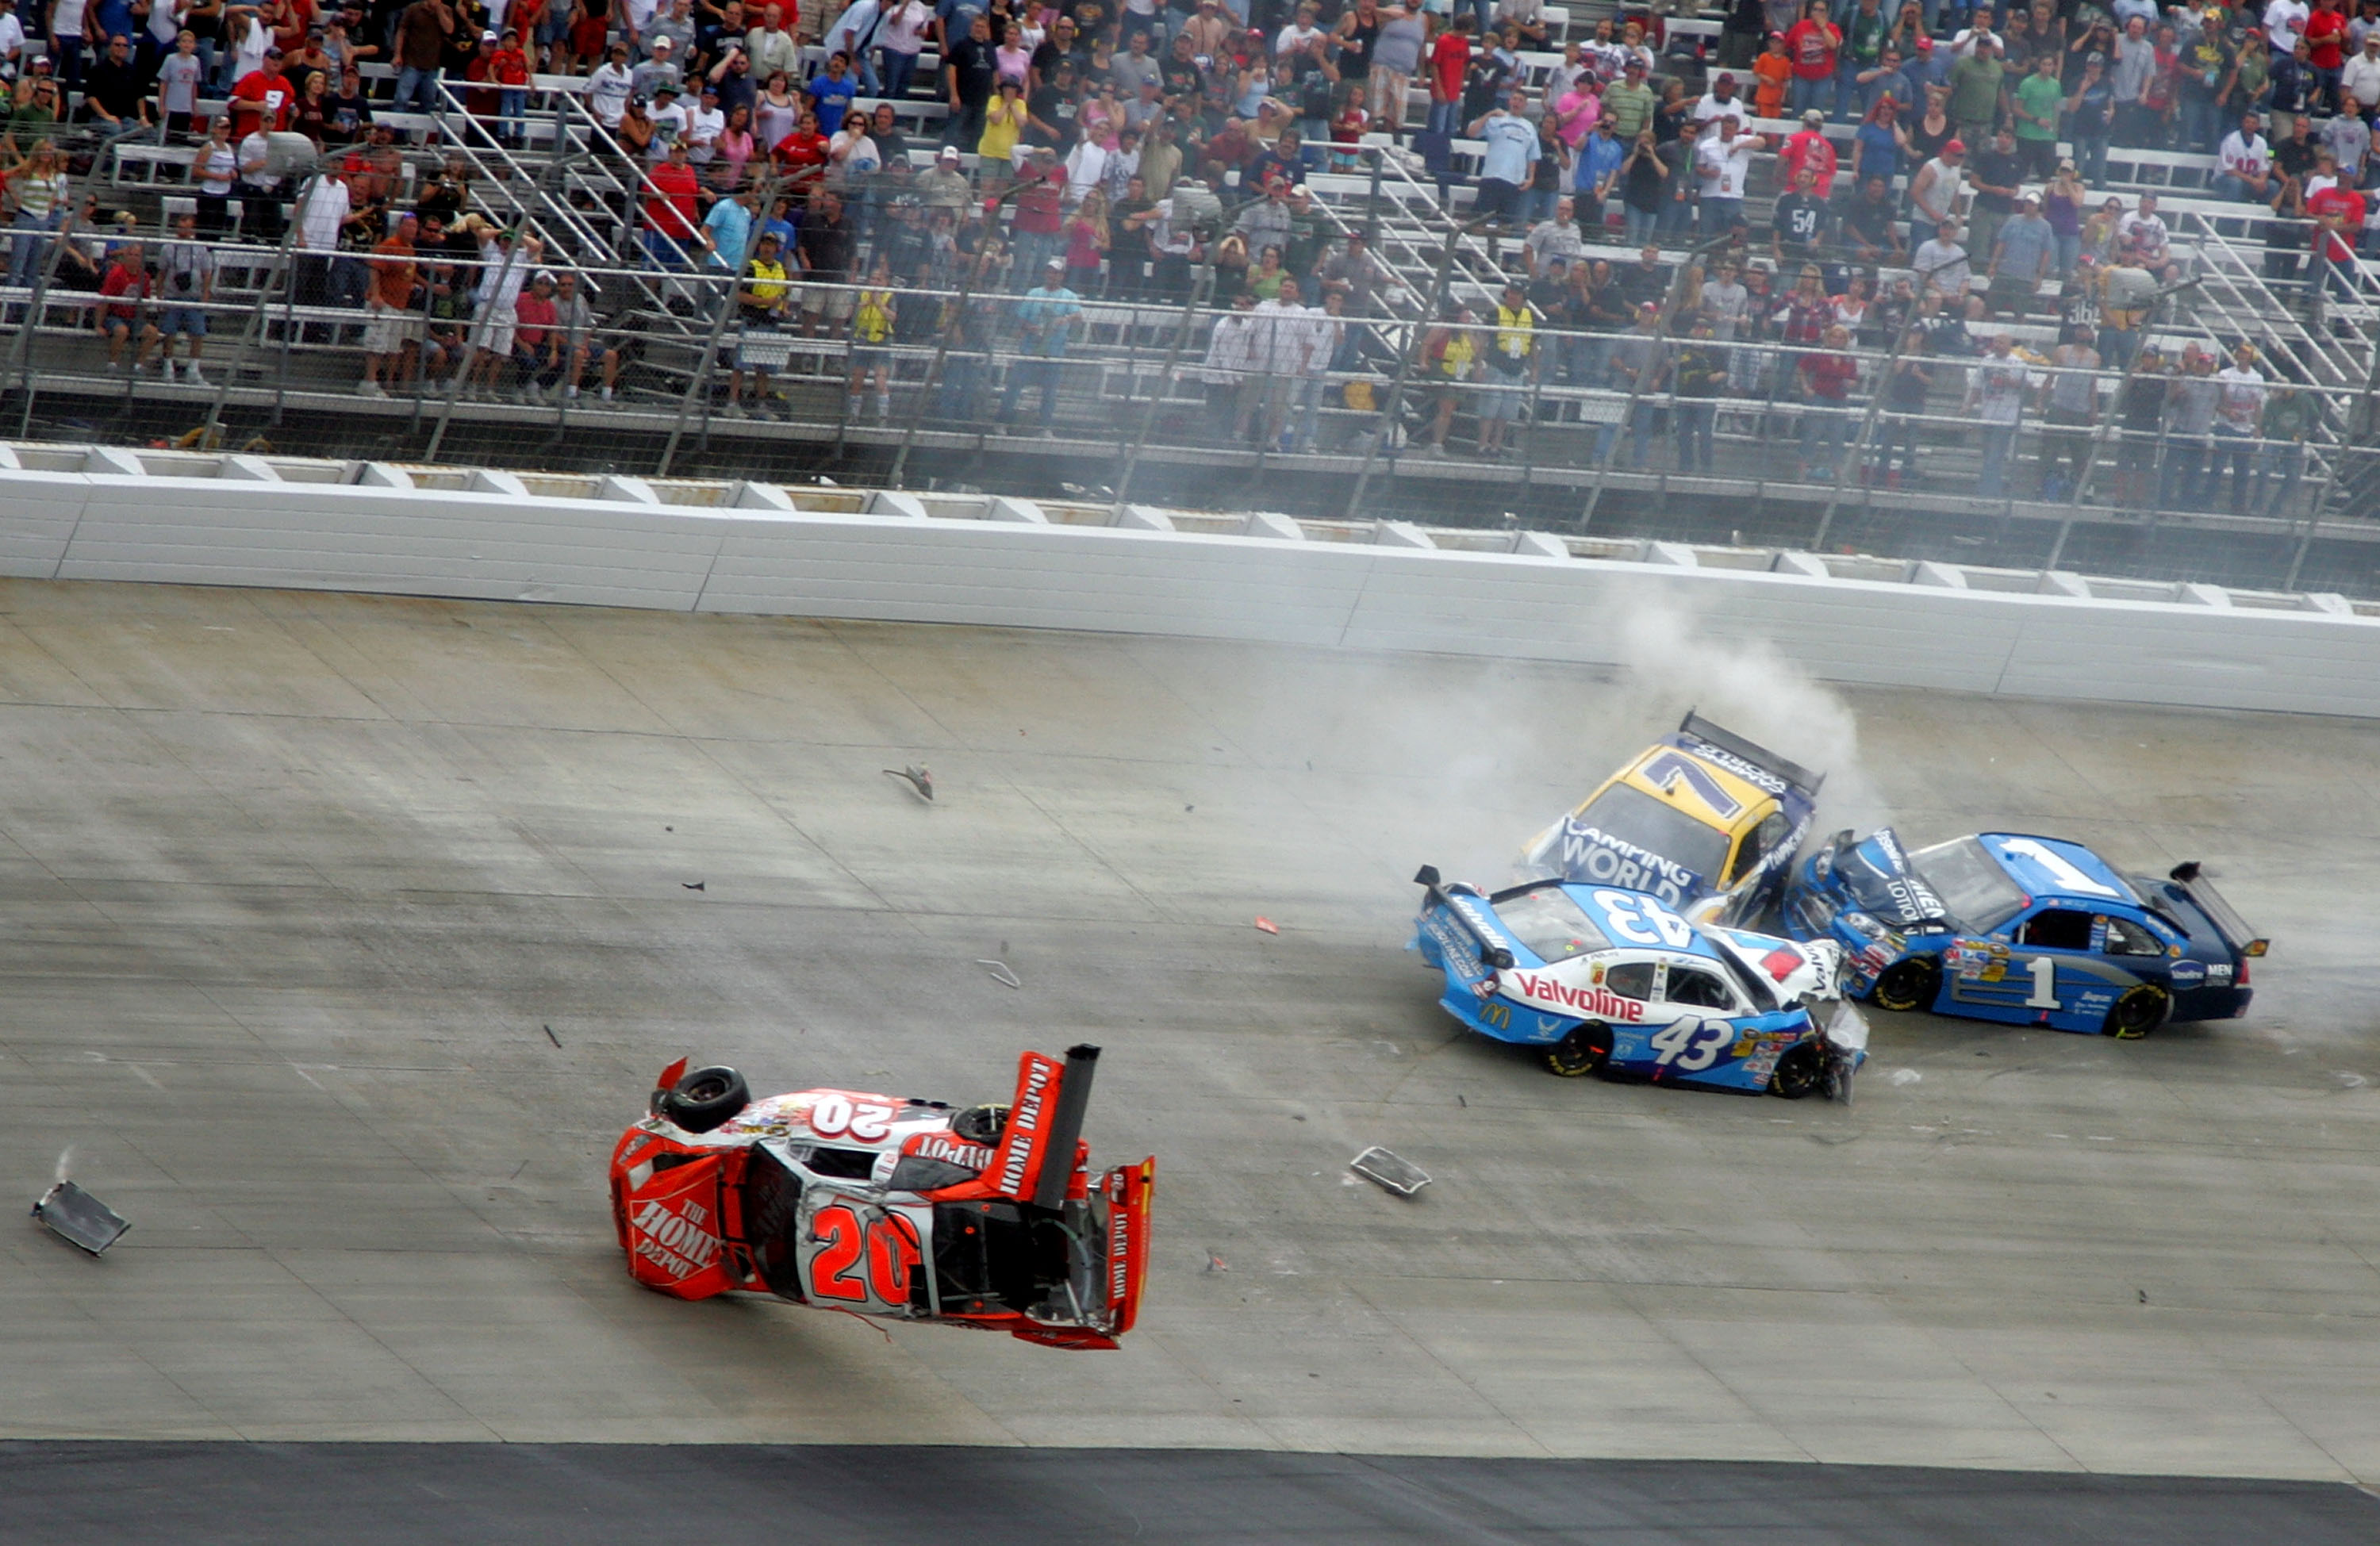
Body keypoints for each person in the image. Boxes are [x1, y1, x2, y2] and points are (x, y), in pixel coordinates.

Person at [1001, 256, 1079, 434]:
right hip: (1030, 351)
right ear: (1046, 273)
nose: (1053, 275)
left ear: (1062, 276)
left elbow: (1078, 316)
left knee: (1050, 394)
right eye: (1051, 272)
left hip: (1054, 354)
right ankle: (1002, 422)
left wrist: (1064, 319)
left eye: (1057, 273)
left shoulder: (1070, 296)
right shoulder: (1033, 293)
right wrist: (1030, 327)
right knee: (1013, 387)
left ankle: (1045, 427)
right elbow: (1021, 317)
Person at [724, 228, 791, 416]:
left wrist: (784, 308)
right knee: (741, 366)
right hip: (753, 320)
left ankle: (761, 405)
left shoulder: (781, 269)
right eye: (764, 244)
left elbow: (785, 292)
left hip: (772, 322)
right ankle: (732, 404)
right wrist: (763, 302)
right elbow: (738, 294)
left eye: (771, 245)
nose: (767, 248)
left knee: (765, 368)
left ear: (777, 248)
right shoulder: (751, 267)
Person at [2036, 323, 2100, 500]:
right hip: (2059, 408)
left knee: (2081, 455)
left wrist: (2094, 411)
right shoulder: (2062, 351)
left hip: (2081, 411)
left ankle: (2083, 490)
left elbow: (2093, 386)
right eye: (2079, 330)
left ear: (2091, 334)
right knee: (2049, 452)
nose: (2082, 333)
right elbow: (2050, 378)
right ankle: (2042, 488)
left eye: (2086, 330)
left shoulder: (2095, 357)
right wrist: (2040, 401)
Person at [360, 209, 420, 396]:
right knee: (376, 344)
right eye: (408, 225)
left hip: (399, 304)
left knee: (392, 346)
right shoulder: (390, 244)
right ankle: (369, 382)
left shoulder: (410, 249)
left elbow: (405, 274)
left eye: (414, 226)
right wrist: (376, 295)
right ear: (400, 226)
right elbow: (375, 269)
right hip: (384, 302)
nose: (411, 229)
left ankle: (382, 383)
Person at [1964, 331, 2029, 497]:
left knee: (1994, 457)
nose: (1997, 345)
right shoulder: (1986, 361)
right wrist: (1968, 405)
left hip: (2006, 418)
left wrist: (2011, 382)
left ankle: (1985, 494)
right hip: (1987, 416)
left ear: (2009, 345)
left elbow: (2029, 386)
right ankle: (1994, 491)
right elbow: (1977, 386)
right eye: (1996, 342)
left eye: (2001, 342)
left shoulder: (2018, 363)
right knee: (1989, 457)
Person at [154, 210, 214, 384]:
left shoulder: (200, 247)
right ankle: (168, 368)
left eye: (186, 225)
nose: (182, 229)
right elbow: (161, 273)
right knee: (169, 332)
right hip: (173, 296)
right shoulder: (168, 247)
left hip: (194, 296)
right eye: (180, 225)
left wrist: (205, 295)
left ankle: (193, 370)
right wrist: (159, 296)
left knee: (197, 333)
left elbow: (207, 273)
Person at [1871, 330, 1933, 488]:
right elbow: (1897, 370)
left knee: (1911, 440)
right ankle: (1882, 474)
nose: (1914, 337)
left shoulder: (1928, 356)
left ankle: (1907, 474)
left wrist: (1919, 374)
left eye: (1917, 334)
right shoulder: (1898, 353)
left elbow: (1930, 380)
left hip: (1916, 402)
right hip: (1897, 399)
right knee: (1888, 438)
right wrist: (1909, 353)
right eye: (1911, 334)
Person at [1467, 87, 1537, 227]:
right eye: (1515, 99)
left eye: (1521, 100)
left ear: (1525, 105)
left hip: (1514, 181)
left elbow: (1533, 155)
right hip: (1492, 176)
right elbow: (1471, 132)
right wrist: (1489, 114)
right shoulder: (1496, 119)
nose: (1517, 103)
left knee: (1506, 224)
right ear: (1510, 101)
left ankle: (1495, 248)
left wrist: (1531, 178)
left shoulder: (1529, 127)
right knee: (1481, 220)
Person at [2209, 342, 2267, 512]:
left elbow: (2257, 405)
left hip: (2244, 430)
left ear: (2252, 357)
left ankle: (2238, 506)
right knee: (2217, 468)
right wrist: (2228, 413)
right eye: (2240, 353)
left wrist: (2257, 427)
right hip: (2225, 426)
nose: (2242, 357)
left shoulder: (2257, 378)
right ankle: (2208, 502)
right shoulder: (2225, 375)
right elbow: (2216, 402)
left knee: (2242, 472)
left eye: (2246, 354)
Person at [95, 240, 161, 373]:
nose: (133, 258)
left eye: (137, 255)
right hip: (114, 316)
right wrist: (98, 324)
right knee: (121, 331)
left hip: (133, 317)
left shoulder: (145, 276)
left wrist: (141, 321)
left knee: (153, 333)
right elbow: (104, 300)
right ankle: (112, 364)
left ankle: (138, 365)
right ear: (125, 256)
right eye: (130, 254)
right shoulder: (116, 273)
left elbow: (144, 301)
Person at [1986, 190, 2054, 313]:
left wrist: (2039, 276)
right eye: (2027, 203)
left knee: (2020, 312)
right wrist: (1992, 265)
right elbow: (2001, 244)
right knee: (1990, 307)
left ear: (2039, 206)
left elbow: (2046, 253)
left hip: (2026, 277)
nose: (2029, 206)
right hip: (2004, 272)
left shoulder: (2046, 227)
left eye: (2032, 204)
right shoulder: (2013, 220)